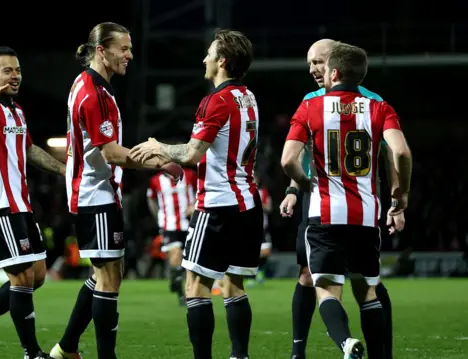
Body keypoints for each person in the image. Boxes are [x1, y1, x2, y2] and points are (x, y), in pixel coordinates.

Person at [49, 22, 182, 359]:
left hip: (94, 193)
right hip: (96, 195)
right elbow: (110, 152)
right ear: (101, 50)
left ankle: (66, 348)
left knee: (106, 273)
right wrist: (160, 161)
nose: (129, 55)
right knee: (109, 278)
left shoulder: (88, 86)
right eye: (123, 48)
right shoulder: (94, 94)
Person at [130, 29, 262, 359]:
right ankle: (239, 356)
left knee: (195, 287)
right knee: (234, 286)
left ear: (222, 61)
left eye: (209, 53)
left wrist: (157, 145)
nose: (204, 59)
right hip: (248, 204)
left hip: (217, 205)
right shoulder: (249, 98)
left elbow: (191, 154)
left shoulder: (215, 100)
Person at [281, 42, 412, 359]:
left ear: (334, 69)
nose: (315, 70)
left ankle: (345, 342)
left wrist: (303, 184)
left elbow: (288, 160)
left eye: (319, 64)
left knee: (325, 287)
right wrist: (400, 196)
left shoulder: (311, 107)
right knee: (369, 289)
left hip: (325, 211)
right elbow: (401, 152)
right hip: (366, 214)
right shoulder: (378, 107)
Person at [0, 46, 66, 359]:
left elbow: (30, 150)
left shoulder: (16, 111)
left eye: (17, 70)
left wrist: (64, 170)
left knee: (38, 275)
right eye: (7, 70)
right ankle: (32, 353)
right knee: (20, 278)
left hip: (21, 204)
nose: (15, 76)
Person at [146, 166, 196, 304]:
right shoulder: (155, 180)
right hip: (169, 226)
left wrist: (194, 205)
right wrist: (158, 217)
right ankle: (181, 294)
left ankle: (177, 280)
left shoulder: (190, 175)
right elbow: (151, 199)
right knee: (175, 255)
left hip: (190, 223)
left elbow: (202, 191)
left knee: (189, 261)